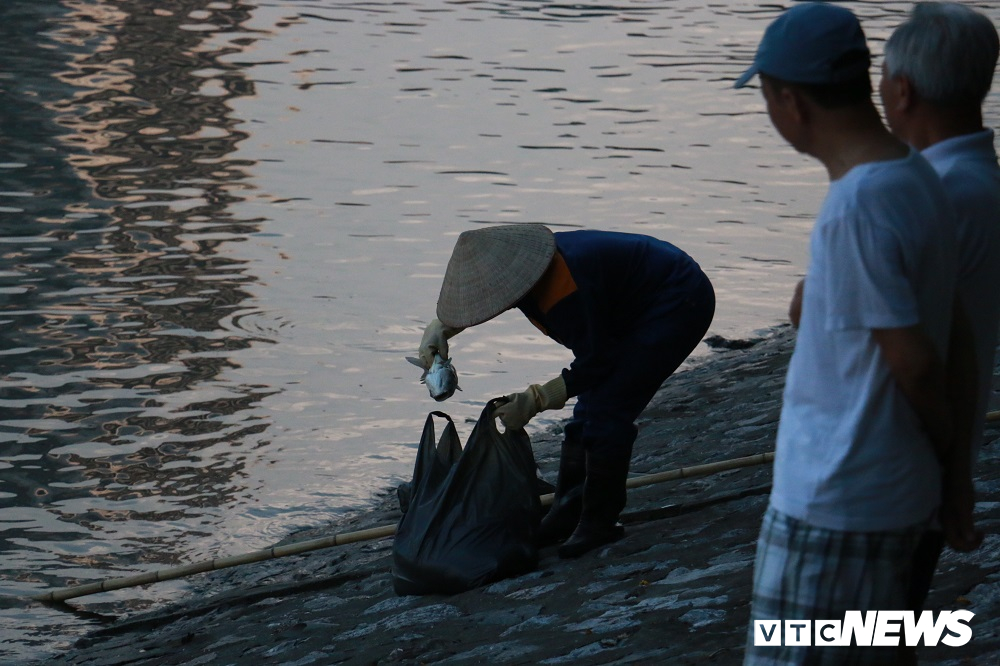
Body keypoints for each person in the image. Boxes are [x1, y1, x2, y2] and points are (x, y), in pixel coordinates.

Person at [733, 4, 959, 664]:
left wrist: (947, 458)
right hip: (889, 491)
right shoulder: (916, 173)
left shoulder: (857, 206)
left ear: (788, 101)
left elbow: (912, 363)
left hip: (836, 503)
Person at [417, 224, 715, 559]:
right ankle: (568, 510)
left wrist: (537, 399)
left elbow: (599, 363)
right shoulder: (531, 267)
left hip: (677, 299)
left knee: (607, 409)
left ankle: (600, 521)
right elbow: (492, 294)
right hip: (630, 300)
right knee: (584, 416)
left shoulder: (563, 292)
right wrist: (442, 327)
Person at [880, 2, 1000, 616]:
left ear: (902, 90)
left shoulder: (933, 191)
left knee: (858, 635)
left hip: (897, 459)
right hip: (934, 451)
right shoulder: (973, 179)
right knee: (887, 628)